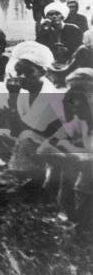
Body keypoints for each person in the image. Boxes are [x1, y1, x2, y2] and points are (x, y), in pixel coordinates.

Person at [37, 68, 93, 232]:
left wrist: (68, 148)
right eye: (73, 94)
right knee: (64, 166)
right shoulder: (79, 122)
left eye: (83, 93)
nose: (76, 100)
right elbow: (44, 148)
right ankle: (73, 215)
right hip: (83, 181)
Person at [5, 41, 66, 187]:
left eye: (29, 72)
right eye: (19, 72)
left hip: (64, 145)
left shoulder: (51, 95)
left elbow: (34, 127)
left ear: (43, 72)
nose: (22, 77)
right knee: (16, 137)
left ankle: (53, 175)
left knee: (26, 139)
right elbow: (17, 127)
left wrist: (13, 98)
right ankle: (38, 177)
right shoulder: (24, 93)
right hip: (42, 140)